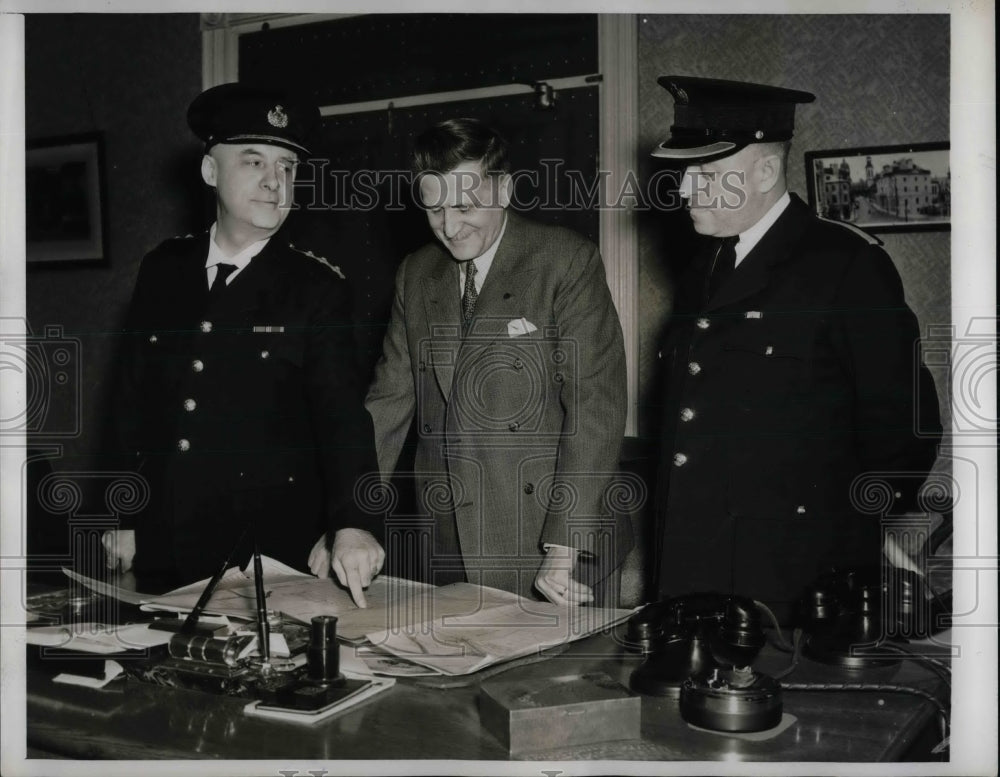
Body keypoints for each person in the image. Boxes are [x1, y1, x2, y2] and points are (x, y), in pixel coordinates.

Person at [649, 76, 941, 621]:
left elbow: (904, 430)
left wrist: (850, 541)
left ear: (764, 171)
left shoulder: (846, 266)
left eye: (707, 174)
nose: (685, 189)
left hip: (792, 579)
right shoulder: (705, 264)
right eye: (686, 173)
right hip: (693, 561)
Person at [315, 118, 632, 604]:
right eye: (435, 209)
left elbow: (596, 407)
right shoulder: (416, 274)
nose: (450, 226)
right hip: (451, 536)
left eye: (465, 205)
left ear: (504, 190)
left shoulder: (565, 260)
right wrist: (348, 521)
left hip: (554, 533)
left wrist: (564, 545)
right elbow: (387, 405)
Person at [101, 83, 384, 606]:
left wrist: (353, 524)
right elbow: (130, 401)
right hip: (160, 539)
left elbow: (342, 419)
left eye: (287, 168)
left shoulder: (317, 289)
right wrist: (122, 516)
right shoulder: (163, 270)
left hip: (264, 550)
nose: (275, 183)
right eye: (254, 162)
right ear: (211, 172)